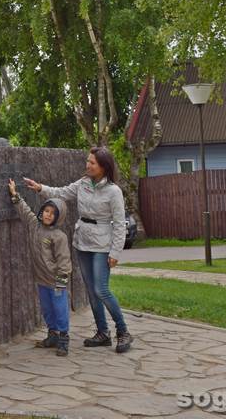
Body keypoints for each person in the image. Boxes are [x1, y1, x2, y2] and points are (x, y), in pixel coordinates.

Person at [22, 146, 133, 353]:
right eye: (88, 161)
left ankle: (123, 331)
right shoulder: (82, 184)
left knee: (102, 289)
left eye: (92, 162)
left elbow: (119, 223)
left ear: (103, 167)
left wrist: (115, 252)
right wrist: (39, 188)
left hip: (102, 245)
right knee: (91, 291)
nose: (87, 165)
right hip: (83, 241)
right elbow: (61, 193)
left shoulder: (113, 191)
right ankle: (102, 333)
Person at [7, 178, 71, 356]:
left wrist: (61, 282)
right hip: (42, 279)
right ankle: (53, 335)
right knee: (47, 309)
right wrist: (15, 195)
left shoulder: (59, 236)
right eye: (46, 211)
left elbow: (64, 261)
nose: (48, 215)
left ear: (58, 217)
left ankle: (64, 337)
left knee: (60, 309)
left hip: (56, 281)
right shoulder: (35, 226)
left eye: (53, 213)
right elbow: (25, 211)